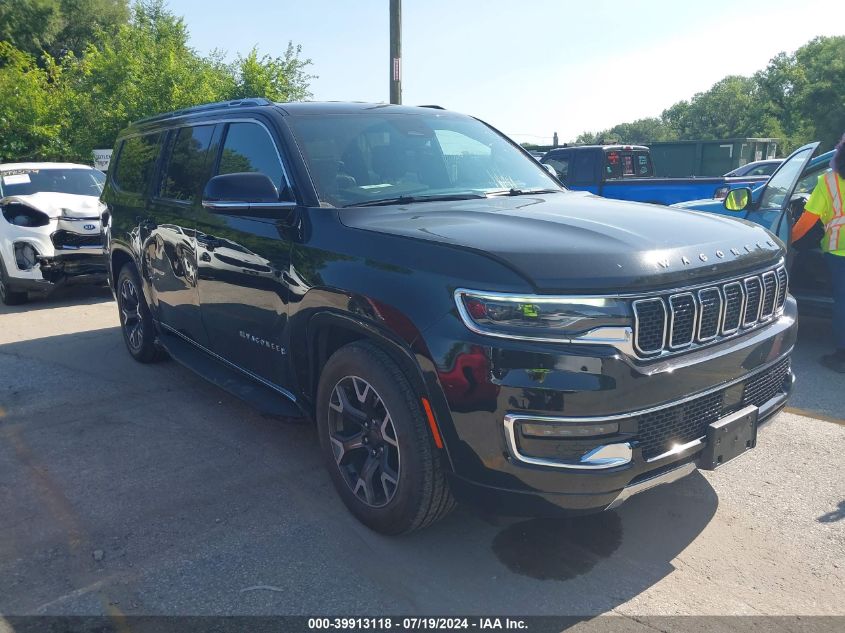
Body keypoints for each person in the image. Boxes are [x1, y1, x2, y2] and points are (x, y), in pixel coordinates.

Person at [791, 133, 845, 373]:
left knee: (843, 302)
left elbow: (807, 221)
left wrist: (786, 240)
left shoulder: (829, 181)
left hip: (839, 251)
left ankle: (842, 356)